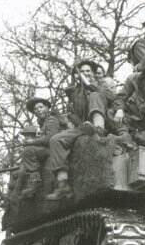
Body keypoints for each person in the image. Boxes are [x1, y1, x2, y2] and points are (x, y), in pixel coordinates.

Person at [46, 60, 126, 200]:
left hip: (105, 125)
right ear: (77, 75)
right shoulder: (75, 94)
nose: (85, 74)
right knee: (55, 140)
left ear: (93, 74)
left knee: (95, 96)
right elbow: (76, 115)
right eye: (82, 72)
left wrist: (119, 109)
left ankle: (98, 127)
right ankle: (63, 184)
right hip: (84, 126)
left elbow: (116, 99)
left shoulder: (102, 86)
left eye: (88, 71)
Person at [19, 97, 61, 198]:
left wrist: (32, 142)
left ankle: (35, 181)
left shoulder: (51, 119)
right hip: (48, 148)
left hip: (54, 149)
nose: (38, 110)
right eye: (36, 109)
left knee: (28, 151)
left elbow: (50, 138)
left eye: (41, 107)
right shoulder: (43, 123)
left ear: (47, 108)